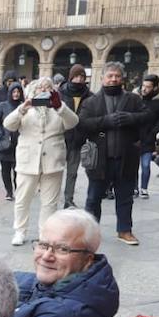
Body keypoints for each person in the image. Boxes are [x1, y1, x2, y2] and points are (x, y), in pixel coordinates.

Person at [13, 208, 119, 317]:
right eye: (43, 244)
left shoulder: (66, 315)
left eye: (62, 249)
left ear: (87, 260)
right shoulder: (45, 284)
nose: (46, 256)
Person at [76, 62, 158, 246]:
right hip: (99, 159)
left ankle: (124, 230)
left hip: (126, 157)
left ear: (122, 78)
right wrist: (105, 121)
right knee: (93, 198)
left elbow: (148, 117)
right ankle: (90, 233)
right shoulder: (91, 101)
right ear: (102, 78)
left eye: (117, 76)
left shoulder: (134, 100)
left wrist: (131, 118)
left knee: (125, 197)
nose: (113, 79)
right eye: (110, 76)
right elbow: (82, 124)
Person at [4, 78, 79, 245]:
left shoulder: (59, 109)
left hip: (52, 161)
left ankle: (45, 233)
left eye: (48, 88)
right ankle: (20, 231)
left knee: (50, 202)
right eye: (39, 88)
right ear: (32, 92)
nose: (43, 91)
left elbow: (73, 122)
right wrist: (22, 108)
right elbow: (8, 124)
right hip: (27, 161)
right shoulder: (25, 110)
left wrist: (59, 106)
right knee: (22, 199)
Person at [59, 64, 91, 209]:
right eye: (76, 76)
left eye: (82, 77)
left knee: (72, 173)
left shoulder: (89, 96)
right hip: (60, 139)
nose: (79, 80)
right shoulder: (61, 93)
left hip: (78, 139)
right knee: (55, 172)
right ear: (71, 77)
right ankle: (51, 196)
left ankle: (68, 199)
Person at [135, 75, 159, 199]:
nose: (144, 89)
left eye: (148, 87)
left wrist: (153, 132)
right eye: (143, 86)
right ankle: (134, 188)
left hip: (149, 137)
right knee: (133, 166)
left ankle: (144, 188)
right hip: (135, 137)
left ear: (154, 88)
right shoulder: (136, 97)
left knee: (146, 165)